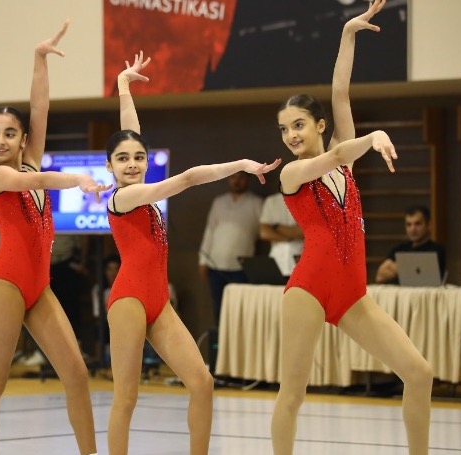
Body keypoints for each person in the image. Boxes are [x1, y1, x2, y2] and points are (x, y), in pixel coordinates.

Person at [270, 2, 433, 454]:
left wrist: (347, 33)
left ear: (319, 125)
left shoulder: (343, 160)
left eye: (299, 125)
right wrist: (373, 137)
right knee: (293, 394)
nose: (291, 135)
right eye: (284, 129)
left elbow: (340, 93)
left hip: (352, 293)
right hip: (307, 289)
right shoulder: (292, 173)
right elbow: (339, 153)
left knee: (419, 373)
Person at [105, 51, 279, 455]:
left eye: (138, 157)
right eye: (122, 159)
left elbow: (130, 130)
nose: (132, 164)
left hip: (157, 301)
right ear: (109, 166)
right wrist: (241, 163)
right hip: (129, 300)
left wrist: (123, 85)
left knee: (202, 382)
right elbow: (185, 179)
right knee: (126, 396)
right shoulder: (123, 198)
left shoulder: (141, 190)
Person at [0, 20, 107, 455]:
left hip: (38, 285)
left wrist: (39, 57)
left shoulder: (30, 161)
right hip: (6, 283)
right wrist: (76, 179)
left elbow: (40, 107)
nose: (0, 140)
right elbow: (38, 180)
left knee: (77, 374)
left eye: (9, 133)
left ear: (23, 139)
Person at [198, 169, 263, 324]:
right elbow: (210, 230)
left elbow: (263, 232)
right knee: (218, 309)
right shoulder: (219, 202)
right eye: (233, 177)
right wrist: (203, 261)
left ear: (248, 179)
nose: (237, 181)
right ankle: (220, 339)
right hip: (215, 264)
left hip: (241, 266)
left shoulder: (257, 203)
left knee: (240, 311)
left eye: (241, 177)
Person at [375, 205, 446, 284]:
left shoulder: (436, 250)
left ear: (428, 225)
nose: (412, 229)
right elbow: (380, 277)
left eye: (417, 224)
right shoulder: (398, 250)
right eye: (409, 224)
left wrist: (399, 269)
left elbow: (430, 279)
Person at [259, 192, 304, 276]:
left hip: (301, 263)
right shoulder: (272, 201)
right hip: (276, 263)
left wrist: (276, 228)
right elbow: (264, 233)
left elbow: (307, 232)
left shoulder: (309, 200)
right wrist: (291, 237)